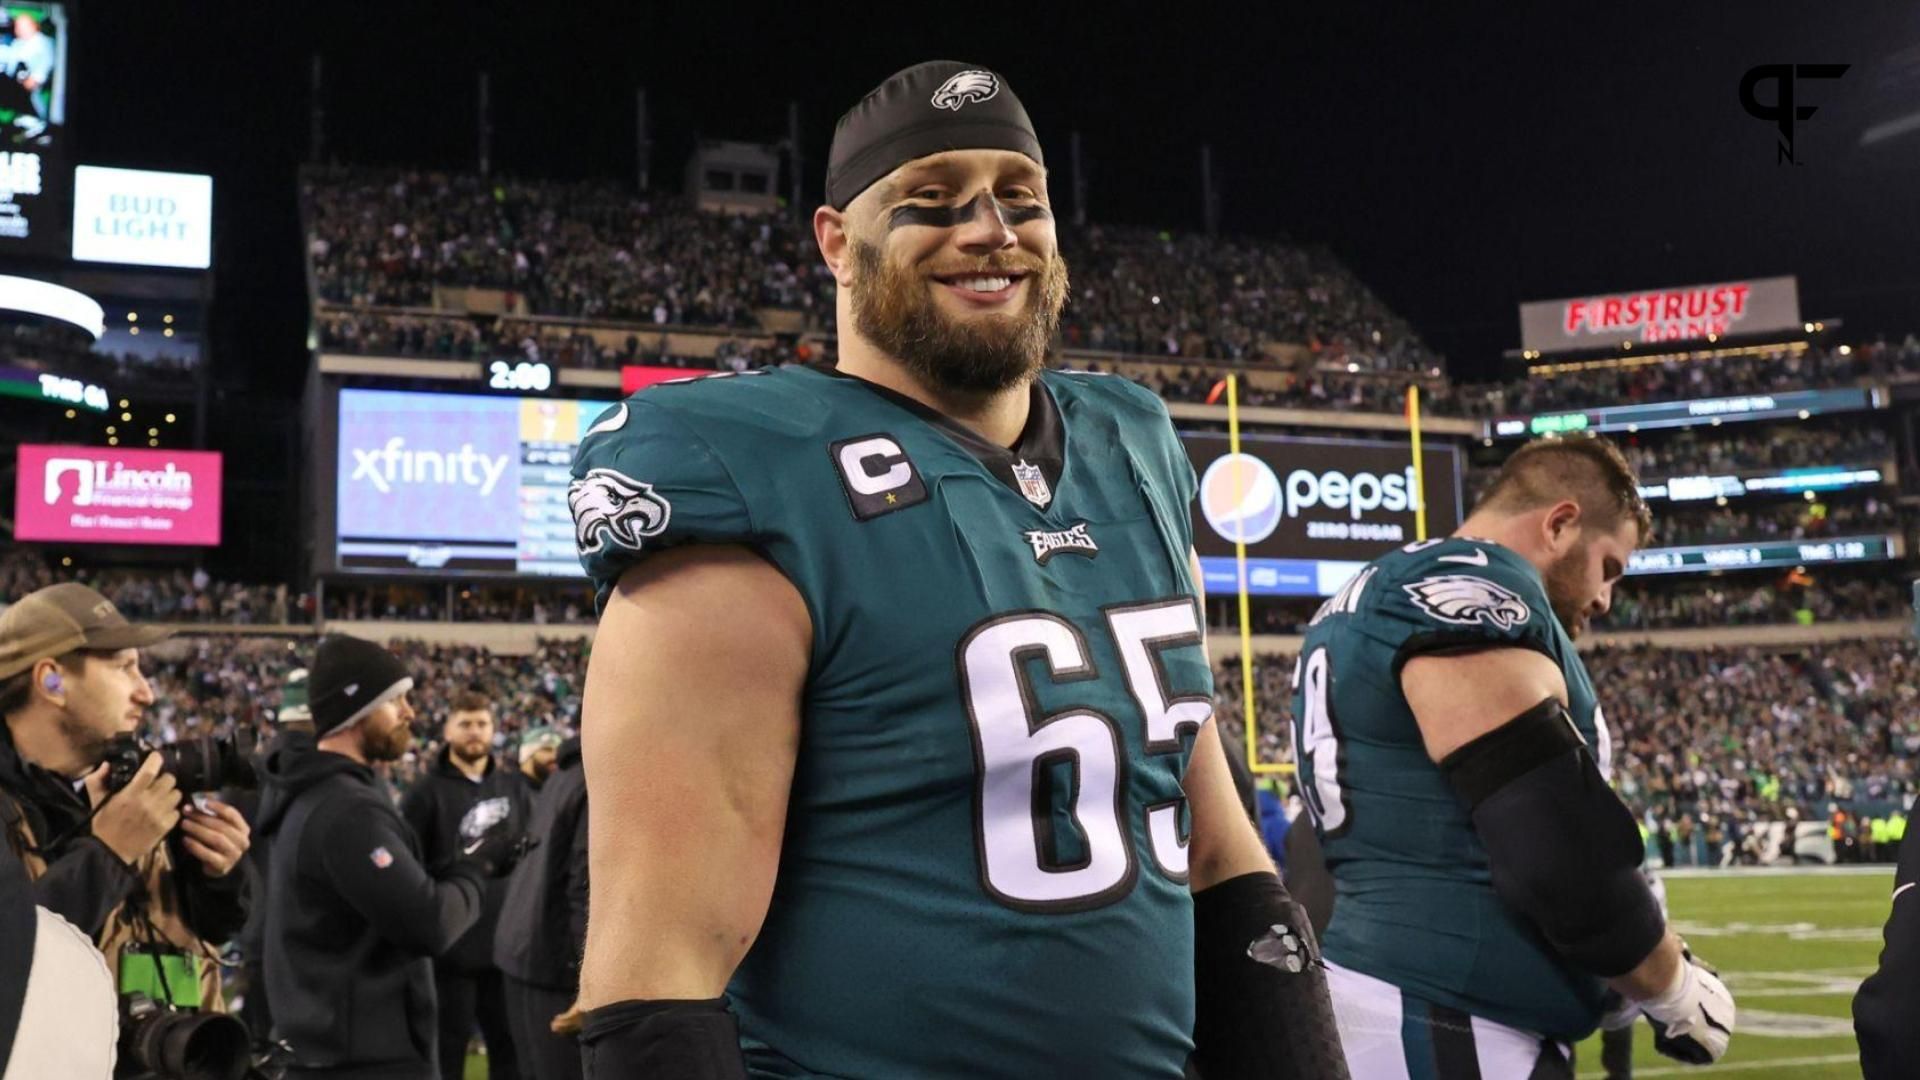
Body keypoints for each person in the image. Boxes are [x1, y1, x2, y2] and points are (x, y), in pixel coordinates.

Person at [568, 60, 1345, 1079]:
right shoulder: (752, 475)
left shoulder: (1133, 442)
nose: (991, 229)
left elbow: (1211, 844)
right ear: (836, 243)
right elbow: (659, 972)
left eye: (1021, 199)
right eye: (931, 203)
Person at [1291, 436, 1737, 1077]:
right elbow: (1551, 846)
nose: (1606, 597)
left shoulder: (1380, 589)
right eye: (1608, 566)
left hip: (1405, 1003)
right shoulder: (1468, 587)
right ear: (1560, 523)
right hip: (1448, 1024)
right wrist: (1667, 982)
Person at [257, 636, 521, 1080]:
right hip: (362, 1056)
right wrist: (478, 867)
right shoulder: (347, 809)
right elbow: (430, 923)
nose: (410, 713)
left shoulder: (322, 794)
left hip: (333, 1045)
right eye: (395, 700)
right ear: (356, 709)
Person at [0, 583, 252, 1019]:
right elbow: (11, 959)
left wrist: (219, 876)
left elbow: (212, 930)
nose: (146, 693)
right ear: (52, 682)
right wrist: (107, 855)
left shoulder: (128, 783)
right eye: (124, 668)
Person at [401, 690, 529, 1080]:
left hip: (505, 951)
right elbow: (410, 869)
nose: (475, 732)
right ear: (447, 729)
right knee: (446, 1056)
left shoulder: (514, 787)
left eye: (482, 724)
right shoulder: (423, 793)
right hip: (449, 955)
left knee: (511, 1055)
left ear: (494, 728)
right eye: (466, 724)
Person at [494, 734, 587, 1080]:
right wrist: (588, 979)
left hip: (524, 953)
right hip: (557, 970)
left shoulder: (565, 775)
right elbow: (584, 885)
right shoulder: (591, 777)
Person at [515, 727, 562, 793]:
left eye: (557, 751)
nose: (554, 756)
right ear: (528, 754)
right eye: (547, 750)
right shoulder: (510, 790)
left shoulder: (555, 790)